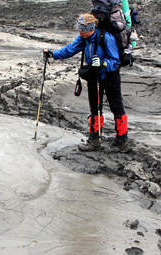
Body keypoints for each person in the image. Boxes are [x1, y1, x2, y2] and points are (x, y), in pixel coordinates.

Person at [43, 13, 128, 151]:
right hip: (94, 75)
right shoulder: (84, 37)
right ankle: (94, 139)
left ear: (91, 28)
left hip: (110, 75)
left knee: (116, 106)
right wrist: (53, 54)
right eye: (79, 30)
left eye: (82, 31)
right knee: (95, 108)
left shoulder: (106, 37)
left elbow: (115, 60)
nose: (80, 33)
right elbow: (70, 49)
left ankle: (122, 140)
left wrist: (104, 64)